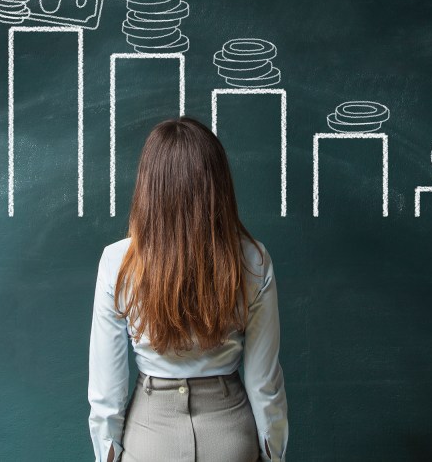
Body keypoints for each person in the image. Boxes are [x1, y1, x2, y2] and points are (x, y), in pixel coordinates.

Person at [88, 116, 289, 462]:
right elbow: (263, 384)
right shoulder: (254, 260)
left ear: (149, 186)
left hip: (150, 439)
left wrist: (108, 453)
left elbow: (108, 391)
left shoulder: (117, 262)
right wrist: (273, 453)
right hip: (230, 436)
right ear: (218, 185)